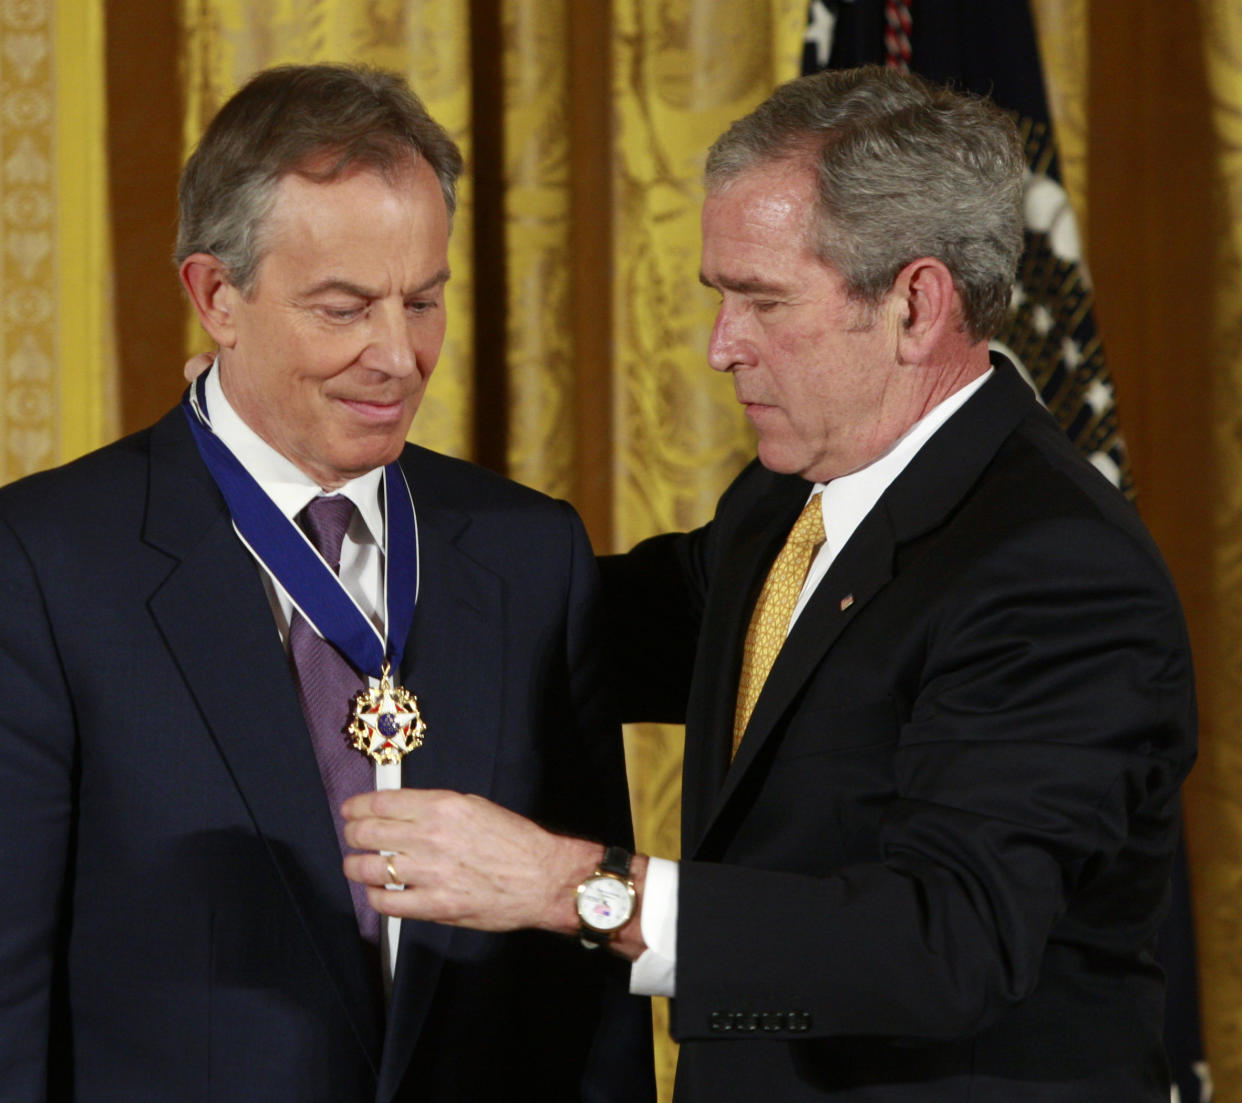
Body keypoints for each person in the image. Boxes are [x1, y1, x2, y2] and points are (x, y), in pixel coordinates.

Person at [342, 66, 1196, 1101]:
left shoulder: (1055, 573)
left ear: (915, 305)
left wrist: (574, 887)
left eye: (761, 300)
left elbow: (947, 949)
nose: (719, 347)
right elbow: (581, 623)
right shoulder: (792, 497)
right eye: (720, 297)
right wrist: (323, 544)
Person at [0, 63, 652, 1102]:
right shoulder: (44, 561)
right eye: (344, 308)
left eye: (425, 301)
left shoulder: (531, 552)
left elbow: (586, 997)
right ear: (217, 295)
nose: (398, 356)